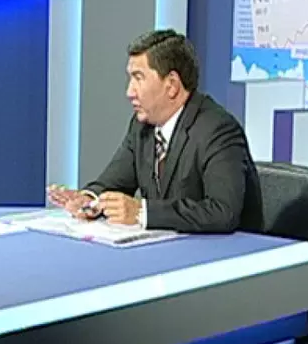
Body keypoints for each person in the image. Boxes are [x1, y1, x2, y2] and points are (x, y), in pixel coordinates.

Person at [49, 29, 262, 234]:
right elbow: (114, 183)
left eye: (138, 78)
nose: (129, 92)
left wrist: (142, 212)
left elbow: (222, 212)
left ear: (171, 85)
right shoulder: (142, 126)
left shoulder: (217, 130)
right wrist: (89, 200)